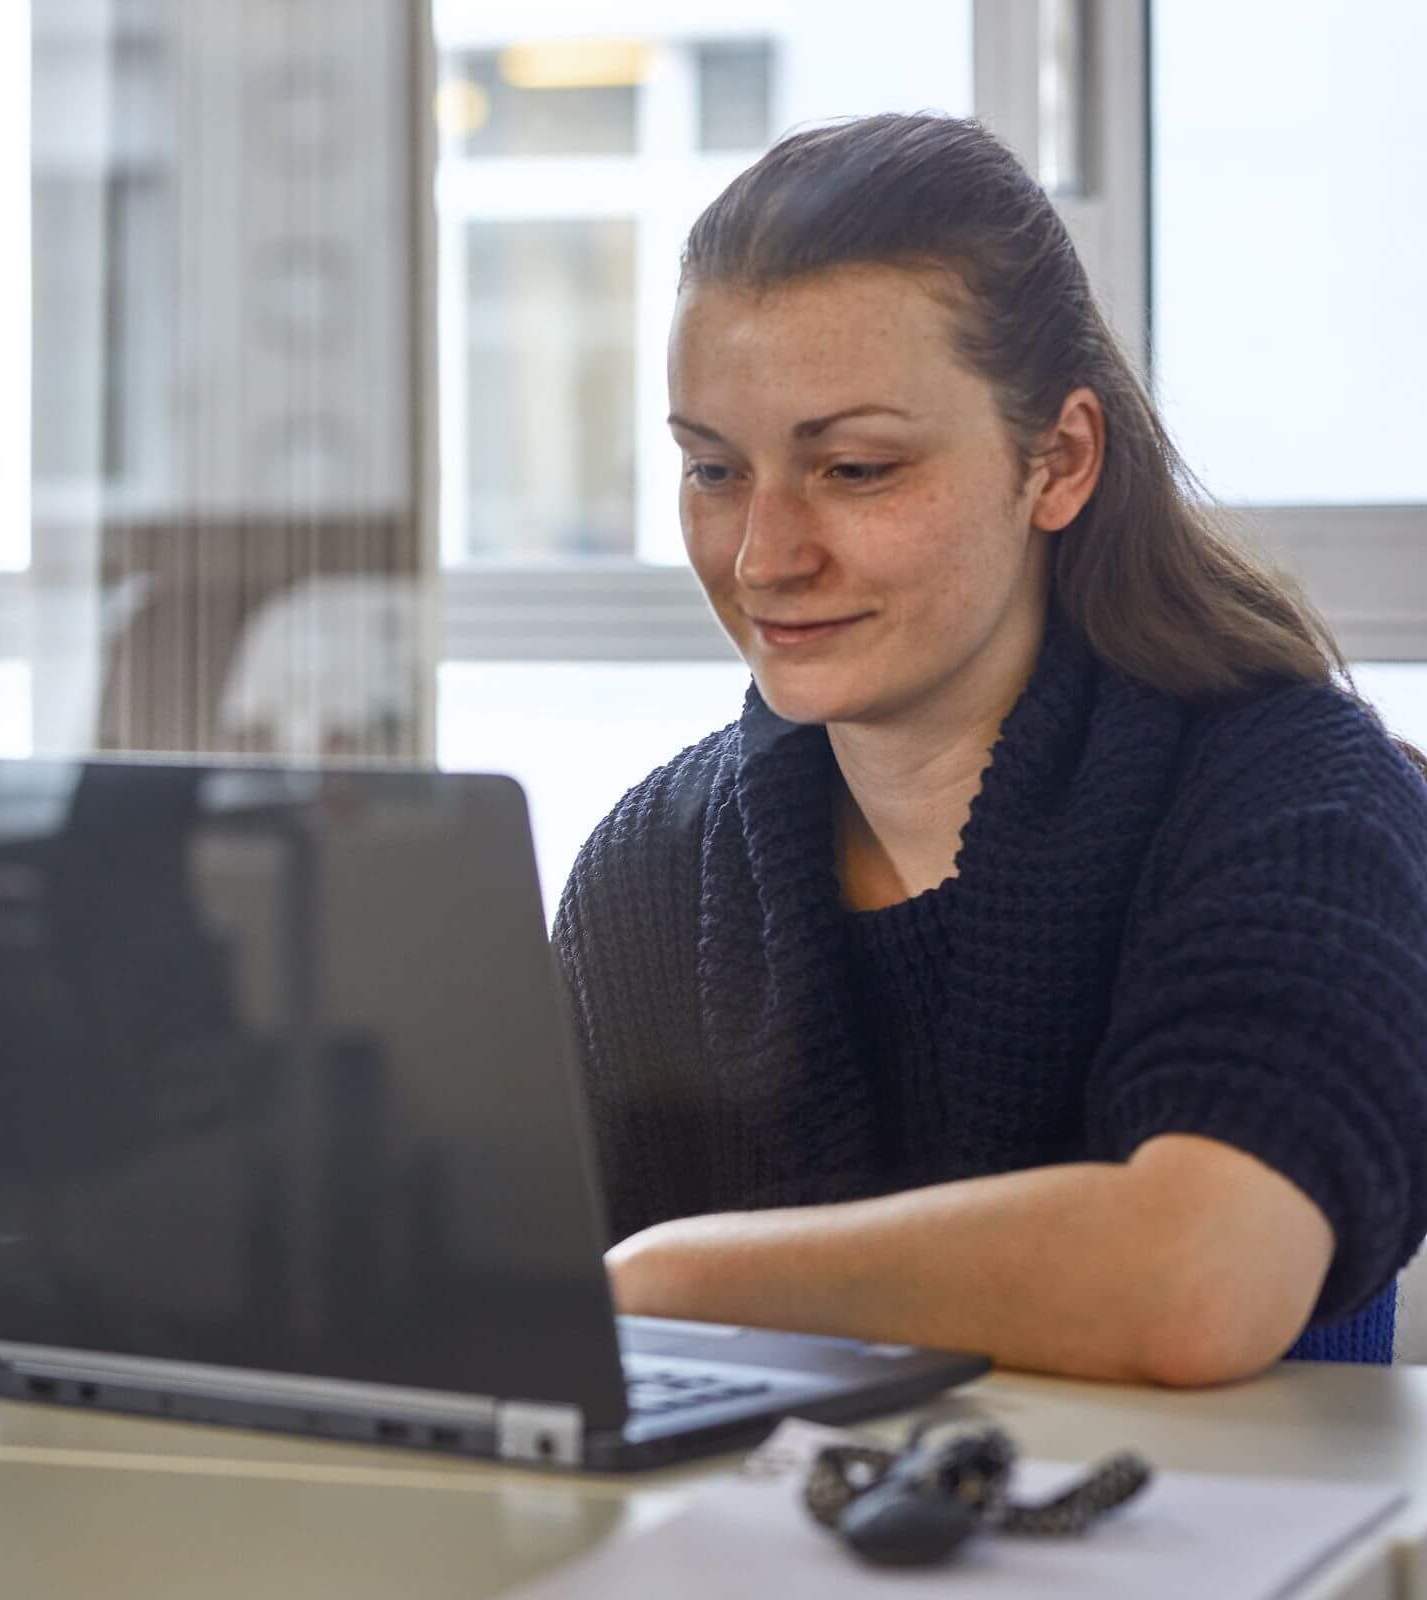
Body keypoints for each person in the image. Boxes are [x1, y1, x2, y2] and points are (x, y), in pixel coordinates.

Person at [556, 114, 1427, 1385]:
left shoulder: (1292, 798)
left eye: (855, 467)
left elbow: (1200, 1279)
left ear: (1059, 460)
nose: (763, 557)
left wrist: (668, 1277)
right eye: (713, 471)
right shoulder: (649, 874)